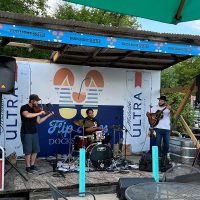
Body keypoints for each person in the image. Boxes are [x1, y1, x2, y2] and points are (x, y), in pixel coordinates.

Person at [20, 94, 53, 173]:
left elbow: (39, 121)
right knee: (28, 151)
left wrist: (48, 115)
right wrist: (39, 113)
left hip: (34, 132)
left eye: (38, 101)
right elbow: (27, 115)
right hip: (26, 132)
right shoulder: (24, 107)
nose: (38, 102)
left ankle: (32, 165)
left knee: (35, 150)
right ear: (31, 101)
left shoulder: (36, 109)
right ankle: (27, 167)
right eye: (36, 101)